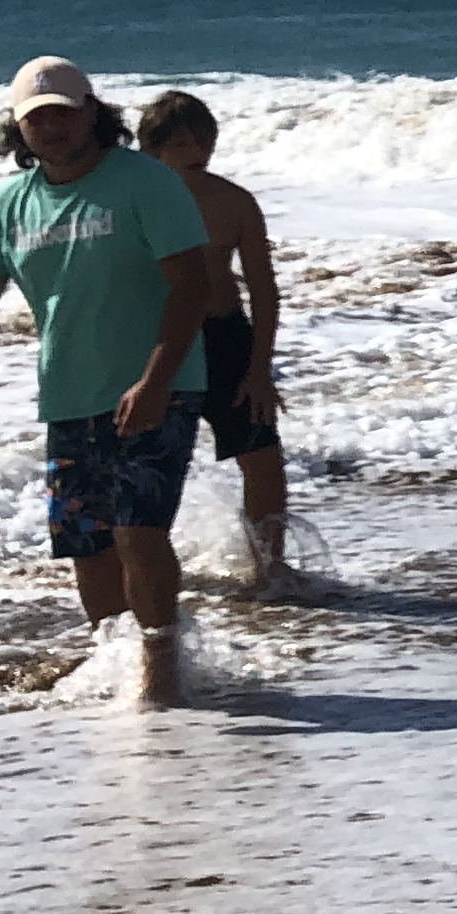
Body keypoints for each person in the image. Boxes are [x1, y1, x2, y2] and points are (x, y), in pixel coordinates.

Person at [0, 56, 218, 706]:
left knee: (136, 531)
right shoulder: (10, 206)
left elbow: (192, 287)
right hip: (70, 396)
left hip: (161, 385)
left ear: (93, 111)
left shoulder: (144, 183)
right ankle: (115, 664)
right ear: (19, 129)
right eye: (38, 119)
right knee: (89, 551)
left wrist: (155, 379)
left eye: (65, 112)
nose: (54, 127)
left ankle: (162, 673)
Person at [135, 89, 301, 596]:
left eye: (204, 140)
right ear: (152, 148)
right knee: (149, 464)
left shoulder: (233, 201)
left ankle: (269, 567)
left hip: (226, 335)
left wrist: (260, 368)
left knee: (264, 455)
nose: (196, 151)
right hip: (159, 341)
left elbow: (264, 289)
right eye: (182, 142)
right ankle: (146, 574)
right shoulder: (135, 202)